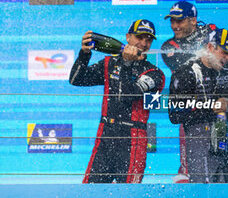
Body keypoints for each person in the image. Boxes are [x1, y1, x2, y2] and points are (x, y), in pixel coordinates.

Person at [69, 19, 165, 183]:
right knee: (91, 192)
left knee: (128, 196)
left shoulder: (155, 73)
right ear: (128, 37)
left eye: (148, 39)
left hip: (133, 138)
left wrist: (127, 64)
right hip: (105, 134)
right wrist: (84, 53)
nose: (143, 43)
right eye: (139, 37)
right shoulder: (110, 63)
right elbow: (76, 80)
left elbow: (127, 97)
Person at [168, 28, 228, 183]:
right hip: (198, 138)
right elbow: (174, 113)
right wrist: (210, 106)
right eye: (225, 52)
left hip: (226, 137)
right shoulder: (186, 72)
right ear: (210, 47)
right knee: (201, 191)